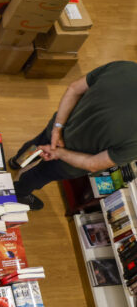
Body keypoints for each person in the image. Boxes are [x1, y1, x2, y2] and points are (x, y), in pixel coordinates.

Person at [10, 61, 137, 210]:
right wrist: (58, 153)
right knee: (40, 174)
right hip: (70, 163)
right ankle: (18, 192)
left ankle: (16, 162)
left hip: (56, 130)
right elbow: (93, 164)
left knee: (34, 147)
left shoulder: (125, 67)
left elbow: (74, 89)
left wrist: (57, 129)